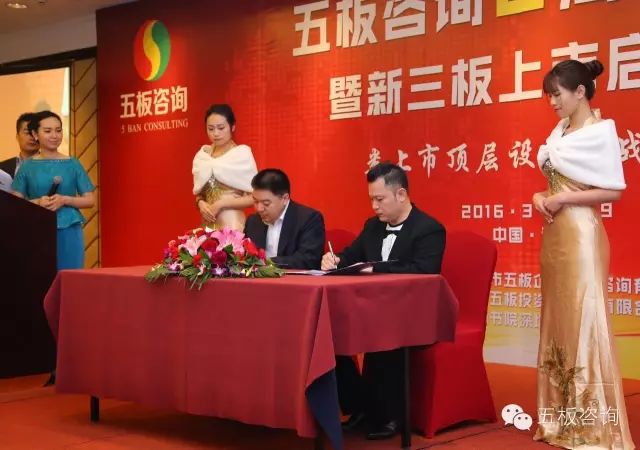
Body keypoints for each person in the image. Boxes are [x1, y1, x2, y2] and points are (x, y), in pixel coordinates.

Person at [533, 60, 634, 449]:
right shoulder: (559, 131)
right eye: (549, 95)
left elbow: (614, 190)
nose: (552, 102)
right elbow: (553, 183)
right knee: (558, 321)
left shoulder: (600, 131)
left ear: (580, 92)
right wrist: (540, 196)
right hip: (555, 235)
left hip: (581, 237)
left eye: (557, 94)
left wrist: (564, 199)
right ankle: (560, 420)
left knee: (586, 321)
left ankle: (592, 427)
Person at [320, 162, 446, 440]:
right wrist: (336, 259)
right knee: (328, 333)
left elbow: (423, 271)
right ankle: (359, 405)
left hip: (411, 313)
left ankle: (390, 415)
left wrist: (374, 268)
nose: (374, 206)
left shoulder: (429, 229)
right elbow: (352, 255)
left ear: (401, 194)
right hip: (371, 310)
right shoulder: (373, 226)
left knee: (386, 333)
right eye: (371, 199)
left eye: (380, 199)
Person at [12, 110, 95, 271]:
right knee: (39, 276)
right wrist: (37, 202)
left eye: (58, 130)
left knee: (70, 275)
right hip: (36, 228)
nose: (54, 135)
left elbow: (90, 200)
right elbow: (15, 204)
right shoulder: (27, 166)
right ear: (35, 134)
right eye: (48, 131)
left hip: (69, 228)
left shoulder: (73, 163)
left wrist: (65, 200)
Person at [192, 104, 257, 231]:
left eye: (221, 128)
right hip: (208, 223)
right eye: (211, 129)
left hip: (232, 224)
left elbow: (255, 197)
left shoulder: (241, 154)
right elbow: (200, 193)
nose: (216, 133)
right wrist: (200, 203)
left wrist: (222, 204)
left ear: (232, 127)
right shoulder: (203, 156)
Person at [244, 169, 325, 269]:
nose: (259, 208)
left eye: (266, 203)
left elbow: (308, 260)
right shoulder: (253, 222)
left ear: (285, 199)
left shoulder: (308, 219)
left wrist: (266, 263)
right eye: (256, 201)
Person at [0, 112, 39, 178]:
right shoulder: (2, 169)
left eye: (36, 133)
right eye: (27, 133)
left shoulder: (52, 167)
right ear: (17, 136)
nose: (32, 137)